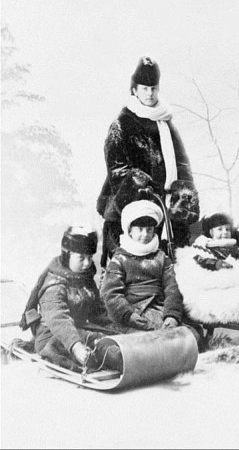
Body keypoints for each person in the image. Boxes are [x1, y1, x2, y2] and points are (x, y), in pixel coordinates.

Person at [97, 56, 199, 268]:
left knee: (170, 261)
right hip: (132, 203)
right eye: (144, 89)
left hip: (167, 203)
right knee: (131, 264)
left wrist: (184, 194)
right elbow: (117, 168)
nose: (149, 94)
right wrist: (142, 189)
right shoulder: (122, 124)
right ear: (134, 90)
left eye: (153, 89)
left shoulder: (165, 122)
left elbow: (182, 164)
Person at [19, 226, 122, 373]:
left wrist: (117, 329)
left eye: (89, 258)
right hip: (53, 336)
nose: (87, 263)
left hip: (75, 331)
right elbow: (58, 319)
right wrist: (76, 346)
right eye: (81, 258)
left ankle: (124, 356)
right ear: (67, 255)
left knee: (109, 338)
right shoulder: (54, 284)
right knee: (96, 342)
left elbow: (98, 312)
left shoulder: (84, 279)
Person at [100, 200, 203, 346]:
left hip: (160, 309)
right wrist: (128, 315)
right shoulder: (119, 259)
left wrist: (171, 315)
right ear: (129, 231)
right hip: (133, 312)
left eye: (149, 230)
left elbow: (172, 288)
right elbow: (111, 293)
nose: (145, 234)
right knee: (144, 342)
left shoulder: (161, 257)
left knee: (190, 336)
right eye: (140, 229)